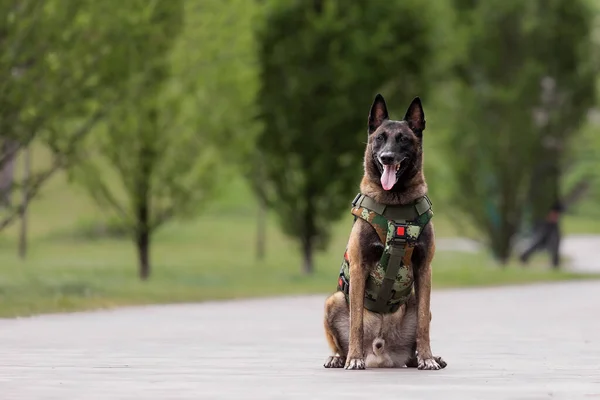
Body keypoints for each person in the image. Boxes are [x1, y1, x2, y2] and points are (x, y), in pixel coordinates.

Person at [519, 200, 564, 269]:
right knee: (542, 242)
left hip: (550, 223)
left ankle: (555, 262)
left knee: (551, 243)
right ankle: (524, 256)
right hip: (548, 224)